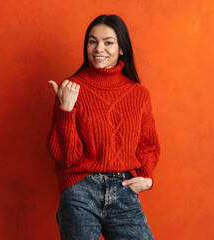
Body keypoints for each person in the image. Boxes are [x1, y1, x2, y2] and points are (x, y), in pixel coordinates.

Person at [46, 14, 160, 240]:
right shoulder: (71, 88)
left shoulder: (138, 93)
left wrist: (147, 177)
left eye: (108, 42)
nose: (99, 49)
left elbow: (147, 143)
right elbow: (66, 158)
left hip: (124, 191)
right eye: (92, 41)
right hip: (80, 191)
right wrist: (65, 111)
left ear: (121, 49)